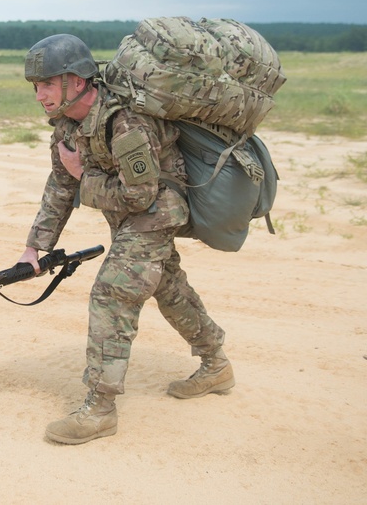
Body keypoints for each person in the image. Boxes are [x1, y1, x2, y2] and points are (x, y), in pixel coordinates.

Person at [16, 33, 233, 445]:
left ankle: (99, 409)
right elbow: (61, 185)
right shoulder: (67, 125)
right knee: (168, 288)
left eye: (47, 83)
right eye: (35, 86)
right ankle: (216, 364)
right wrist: (35, 248)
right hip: (128, 220)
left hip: (155, 216)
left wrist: (85, 177)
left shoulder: (125, 121)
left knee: (112, 293)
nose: (39, 94)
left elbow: (140, 194)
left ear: (77, 81)